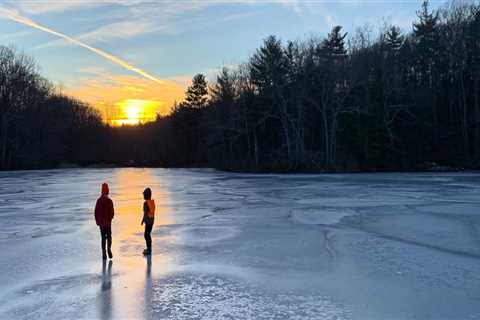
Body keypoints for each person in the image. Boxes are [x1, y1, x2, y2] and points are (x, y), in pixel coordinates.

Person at [94, 183, 114, 259]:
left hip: (101, 224)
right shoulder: (110, 201)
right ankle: (109, 248)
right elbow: (112, 213)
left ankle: (104, 252)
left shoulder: (98, 201)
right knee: (109, 237)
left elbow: (96, 212)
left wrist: (97, 221)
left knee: (103, 238)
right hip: (108, 223)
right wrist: (110, 219)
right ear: (107, 190)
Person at [141, 187, 155, 255]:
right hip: (152, 221)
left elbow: (145, 213)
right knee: (148, 234)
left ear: (146, 195)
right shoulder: (151, 202)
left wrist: (143, 220)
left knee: (146, 235)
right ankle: (149, 248)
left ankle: (149, 249)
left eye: (144, 194)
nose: (143, 196)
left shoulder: (146, 203)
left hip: (148, 221)